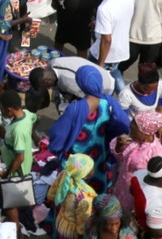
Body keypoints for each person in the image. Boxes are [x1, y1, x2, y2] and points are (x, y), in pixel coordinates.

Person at [48, 65, 129, 194]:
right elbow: (123, 124)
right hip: (99, 153)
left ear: (81, 85)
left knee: (74, 190)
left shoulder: (74, 108)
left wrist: (54, 147)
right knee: (96, 185)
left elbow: (58, 133)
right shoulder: (109, 102)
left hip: (76, 156)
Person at [90, 0, 135, 93]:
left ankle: (110, 104)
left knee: (99, 83)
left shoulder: (104, 8)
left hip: (106, 55)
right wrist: (98, 22)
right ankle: (124, 97)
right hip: (121, 50)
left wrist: (100, 65)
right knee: (115, 73)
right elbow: (120, 16)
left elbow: (107, 40)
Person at [110, 111, 162, 211]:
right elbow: (121, 158)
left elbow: (156, 180)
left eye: (135, 128)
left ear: (146, 133)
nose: (130, 128)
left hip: (135, 192)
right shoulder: (132, 140)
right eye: (132, 123)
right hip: (121, 185)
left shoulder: (157, 153)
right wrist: (118, 146)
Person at [0, 89, 38, 222]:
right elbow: (36, 118)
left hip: (15, 173)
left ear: (9, 109)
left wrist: (7, 174)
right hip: (17, 168)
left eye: (2, 109)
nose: (2, 111)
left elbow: (20, 157)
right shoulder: (26, 114)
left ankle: (16, 230)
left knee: (11, 202)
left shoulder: (18, 130)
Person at [27, 55, 114, 114]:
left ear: (46, 82)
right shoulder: (52, 63)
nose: (47, 89)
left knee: (70, 112)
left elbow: (89, 98)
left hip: (105, 87)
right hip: (97, 72)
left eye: (44, 87)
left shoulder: (68, 83)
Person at [46, 154, 97, 239]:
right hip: (71, 231)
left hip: (60, 221)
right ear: (84, 174)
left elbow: (51, 195)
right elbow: (82, 221)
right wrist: (82, 233)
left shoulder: (63, 175)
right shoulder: (84, 196)